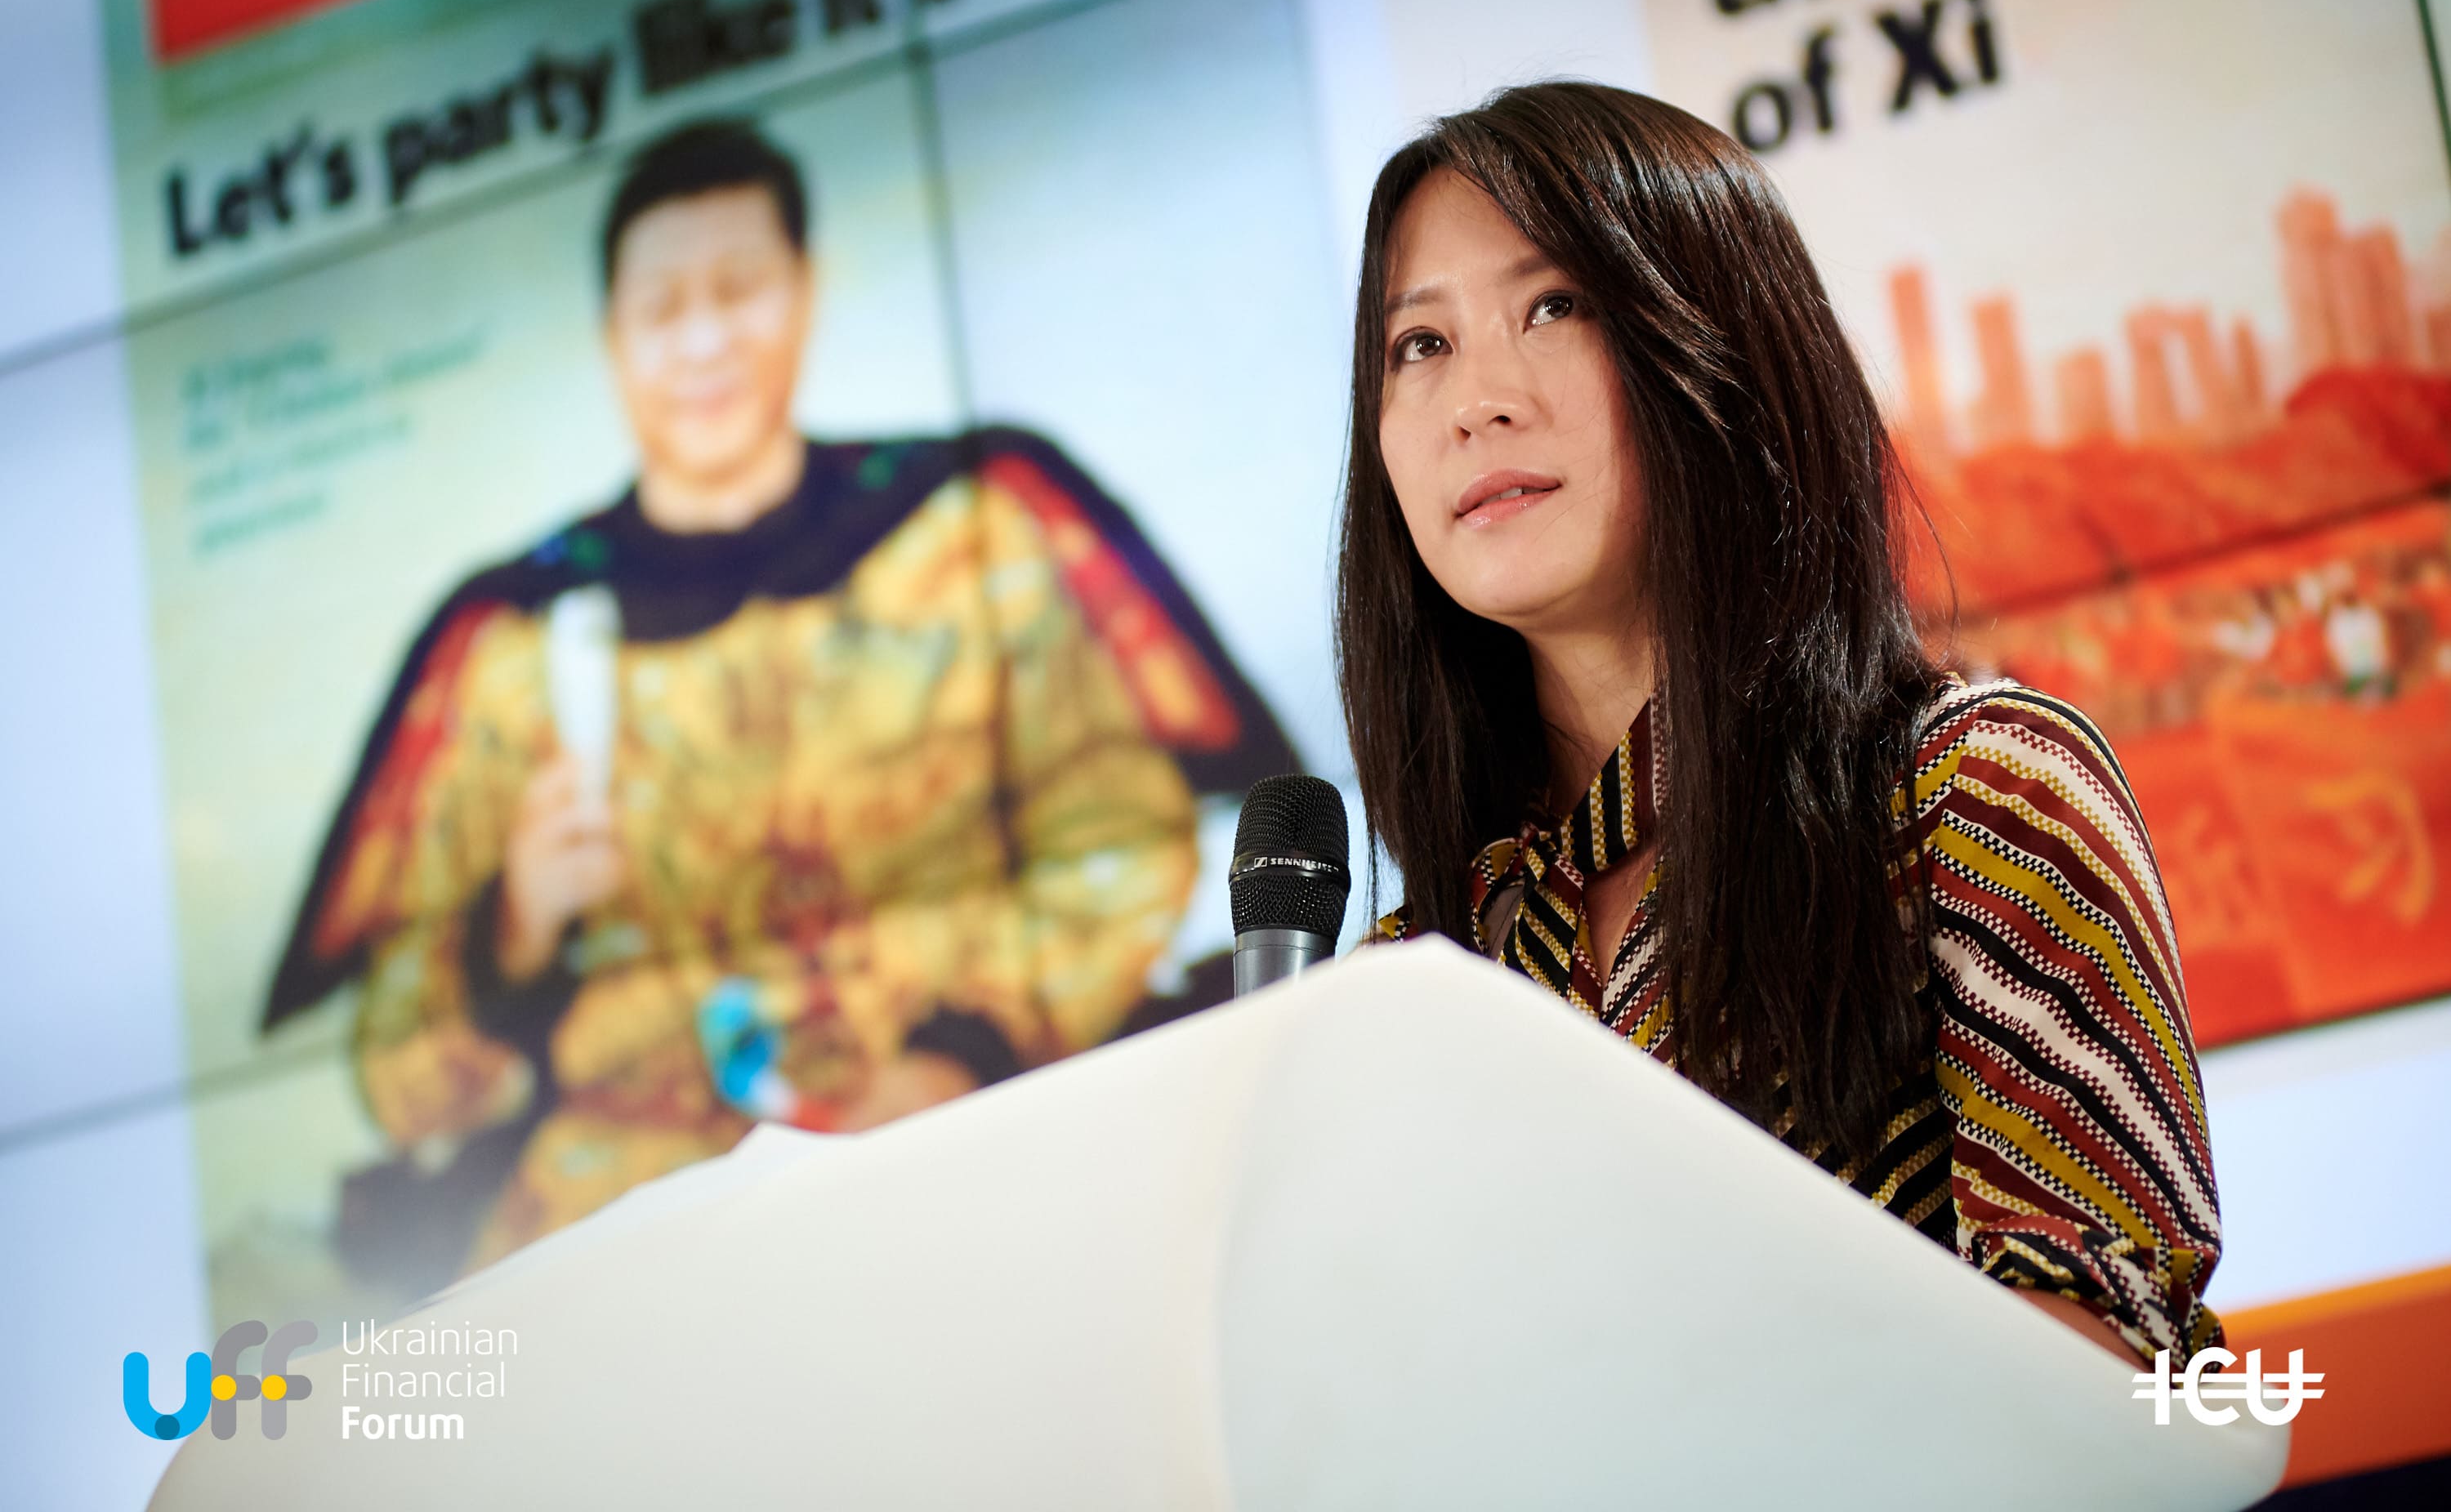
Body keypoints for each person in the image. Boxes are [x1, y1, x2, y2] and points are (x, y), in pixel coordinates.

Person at [264, 118, 1293, 1286]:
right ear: (612, 340)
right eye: (663, 308)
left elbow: (1116, 842)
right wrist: (514, 928)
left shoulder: (963, 529)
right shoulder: (515, 645)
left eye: (739, 290)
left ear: (805, 293)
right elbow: (401, 1078)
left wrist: (961, 1054)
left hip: (969, 1155)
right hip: (635, 1244)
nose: (704, 340)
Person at [1342, 83, 2221, 1368]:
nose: (1478, 399)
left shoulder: (1976, 789)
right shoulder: (1425, 973)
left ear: (1723, 349)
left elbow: (2113, 1363)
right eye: (1419, 344)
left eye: (1555, 307)